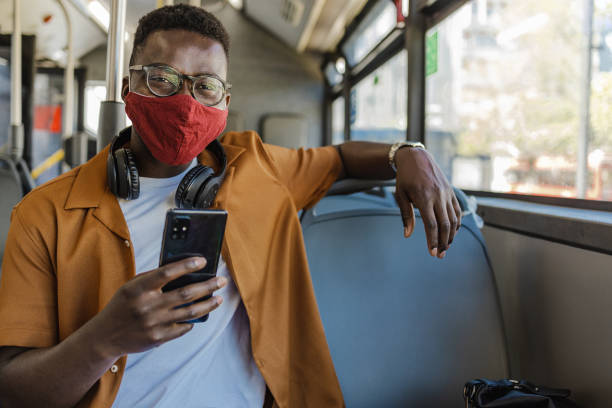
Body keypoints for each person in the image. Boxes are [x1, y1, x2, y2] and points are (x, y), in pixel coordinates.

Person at [0, 5, 461, 408]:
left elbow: (339, 160)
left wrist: (408, 153)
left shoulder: (256, 166)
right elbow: (14, 390)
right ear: (128, 88)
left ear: (225, 100)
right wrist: (105, 339)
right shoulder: (46, 213)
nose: (185, 102)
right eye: (163, 79)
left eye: (205, 87)